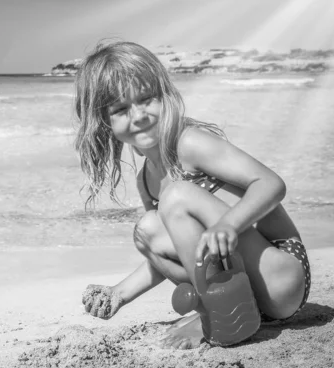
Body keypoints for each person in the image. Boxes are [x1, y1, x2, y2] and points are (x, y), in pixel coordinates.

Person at [75, 41, 311, 349]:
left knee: (175, 197)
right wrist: (120, 293)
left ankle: (214, 315)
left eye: (146, 99)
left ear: (165, 94)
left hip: (280, 275)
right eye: (121, 109)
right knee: (148, 231)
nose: (139, 115)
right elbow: (173, 251)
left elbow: (270, 184)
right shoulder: (145, 180)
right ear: (105, 123)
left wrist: (228, 225)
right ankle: (221, 308)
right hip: (249, 292)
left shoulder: (189, 143)